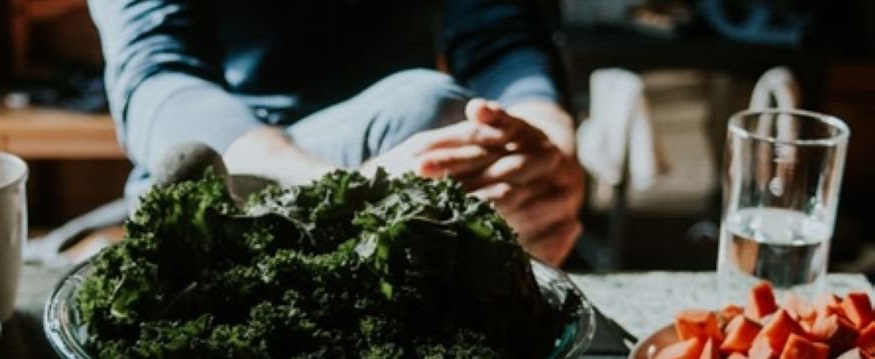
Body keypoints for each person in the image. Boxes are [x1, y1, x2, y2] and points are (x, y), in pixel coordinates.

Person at [89, 0, 584, 265]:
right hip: (244, 164)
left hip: (406, 153)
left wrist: (545, 154)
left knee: (452, 126)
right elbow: (158, 78)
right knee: (430, 107)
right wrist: (338, 195)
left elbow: (504, 32)